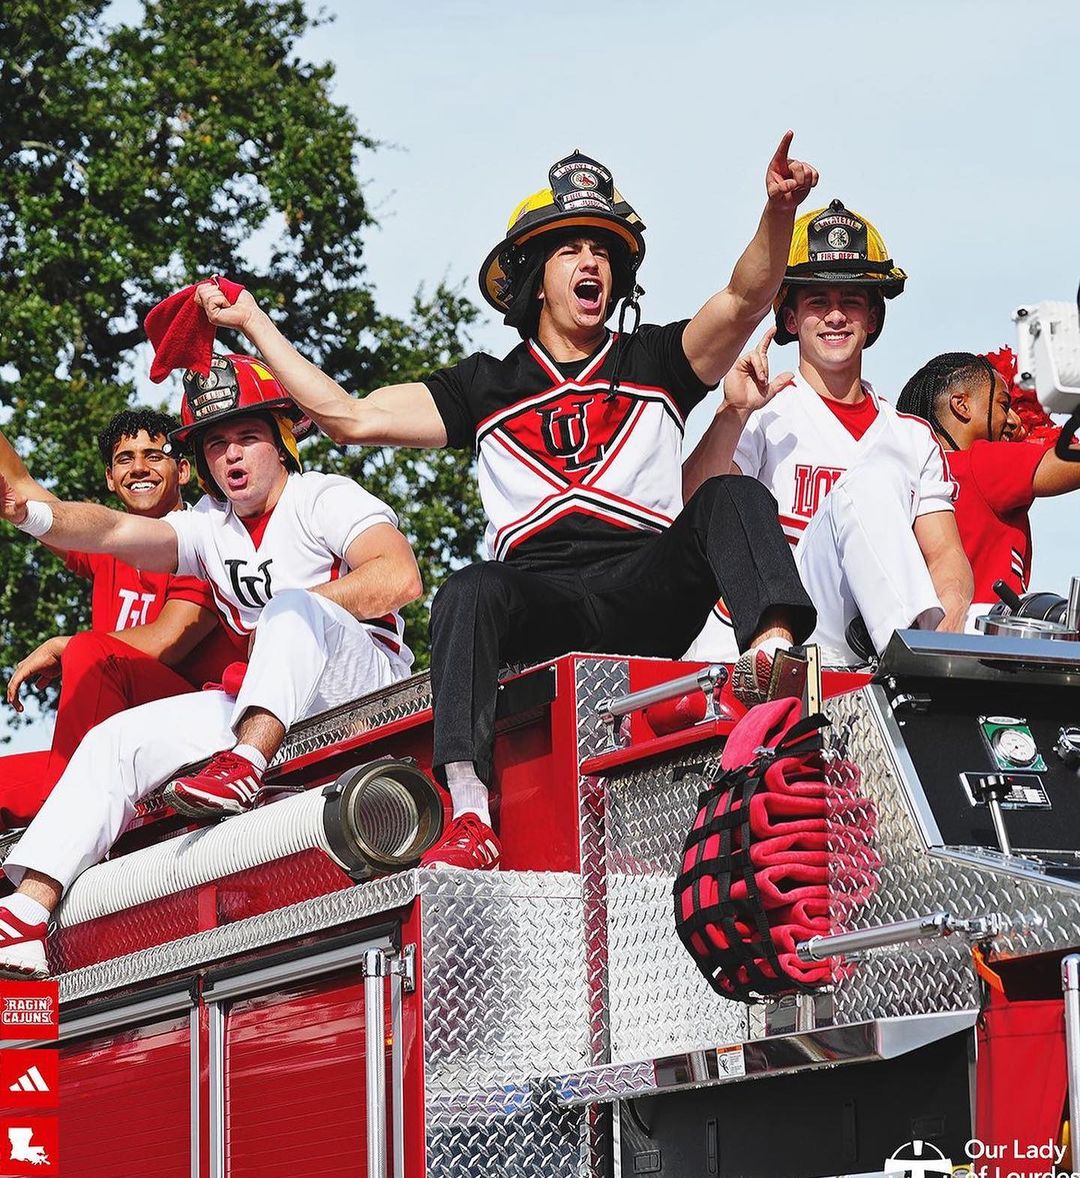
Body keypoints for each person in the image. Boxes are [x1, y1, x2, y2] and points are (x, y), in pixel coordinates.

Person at [191, 136, 822, 871]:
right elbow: (349, 417)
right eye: (569, 249)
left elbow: (745, 297)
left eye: (602, 250)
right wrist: (254, 322)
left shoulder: (657, 358)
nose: (591, 262)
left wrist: (778, 211)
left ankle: (772, 658)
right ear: (534, 278)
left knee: (731, 493)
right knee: (468, 587)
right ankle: (468, 812)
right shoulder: (482, 385)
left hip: (647, 587)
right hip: (540, 600)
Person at [0, 354, 421, 977]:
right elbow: (111, 530)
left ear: (282, 440)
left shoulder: (323, 495)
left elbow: (400, 577)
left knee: (288, 609)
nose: (232, 455)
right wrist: (29, 514)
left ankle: (243, 766)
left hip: (359, 682)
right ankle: (26, 916)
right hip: (267, 700)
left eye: (247, 436)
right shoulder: (207, 525)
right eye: (216, 444)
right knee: (116, 740)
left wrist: (287, 617)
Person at [683, 199, 972, 665]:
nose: (835, 316)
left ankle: (916, 662)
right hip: (773, 631)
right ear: (790, 319)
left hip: (862, 638)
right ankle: (907, 662)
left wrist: (951, 620)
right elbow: (694, 510)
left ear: (872, 318)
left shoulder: (913, 438)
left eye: (851, 301)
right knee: (865, 486)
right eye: (818, 301)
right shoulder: (763, 413)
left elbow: (945, 556)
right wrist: (732, 413)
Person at [0, 410, 241, 830]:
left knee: (91, 652)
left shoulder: (207, 538)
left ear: (183, 470)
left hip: (195, 738)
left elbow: (167, 641)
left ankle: (68, 826)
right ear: (110, 478)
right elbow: (18, 489)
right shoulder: (106, 543)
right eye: (125, 459)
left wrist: (64, 646)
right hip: (112, 747)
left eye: (154, 455)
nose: (139, 468)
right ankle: (66, 813)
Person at [896, 350, 1080, 624]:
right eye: (1004, 405)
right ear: (962, 406)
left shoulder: (909, 478)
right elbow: (1071, 461)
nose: (1015, 421)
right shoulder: (980, 462)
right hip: (982, 636)